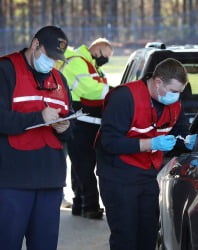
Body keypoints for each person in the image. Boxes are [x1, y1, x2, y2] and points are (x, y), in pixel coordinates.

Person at [96, 58, 197, 250]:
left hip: (147, 174)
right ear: (158, 82)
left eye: (180, 92)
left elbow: (179, 131)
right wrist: (150, 143)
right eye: (174, 91)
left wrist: (188, 141)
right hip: (118, 176)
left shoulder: (173, 103)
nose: (176, 97)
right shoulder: (125, 97)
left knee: (148, 234)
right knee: (125, 236)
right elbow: (109, 142)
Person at [0, 25, 74, 250]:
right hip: (13, 181)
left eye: (57, 59)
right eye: (49, 56)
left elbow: (73, 127)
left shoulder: (59, 79)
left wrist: (65, 128)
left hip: (51, 180)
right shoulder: (5, 70)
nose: (52, 62)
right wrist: (37, 117)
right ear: (35, 44)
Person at [59, 38, 113, 219]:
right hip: (80, 122)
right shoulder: (78, 63)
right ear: (96, 50)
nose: (105, 60)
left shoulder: (91, 65)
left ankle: (80, 204)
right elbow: (90, 90)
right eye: (105, 56)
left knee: (80, 164)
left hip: (87, 123)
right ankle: (89, 206)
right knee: (85, 165)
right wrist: (114, 92)